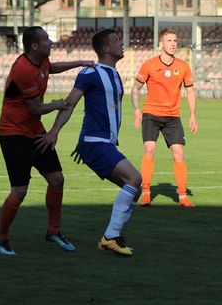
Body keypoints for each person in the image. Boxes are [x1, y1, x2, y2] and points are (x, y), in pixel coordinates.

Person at [36, 28, 142, 256]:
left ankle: (112, 236)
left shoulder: (115, 75)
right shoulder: (90, 72)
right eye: (116, 40)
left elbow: (96, 109)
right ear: (105, 48)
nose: (121, 43)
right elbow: (70, 103)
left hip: (100, 142)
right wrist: (54, 131)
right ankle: (110, 237)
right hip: (96, 142)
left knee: (135, 189)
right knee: (134, 178)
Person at [0, 26, 94, 256]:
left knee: (57, 180)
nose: (51, 42)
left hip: (35, 132)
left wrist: (79, 63)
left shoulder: (41, 61)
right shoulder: (23, 69)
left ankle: (53, 231)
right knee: (19, 191)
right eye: (46, 39)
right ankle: (1, 237)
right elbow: (35, 108)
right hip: (14, 135)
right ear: (34, 46)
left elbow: (53, 68)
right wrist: (58, 104)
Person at [131, 28, 198, 208]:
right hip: (151, 114)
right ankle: (146, 193)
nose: (173, 44)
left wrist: (193, 114)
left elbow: (190, 91)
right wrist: (136, 110)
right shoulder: (149, 65)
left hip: (173, 116)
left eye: (175, 41)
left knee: (179, 153)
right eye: (169, 41)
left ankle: (182, 196)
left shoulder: (183, 66)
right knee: (150, 149)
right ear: (161, 44)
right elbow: (135, 88)